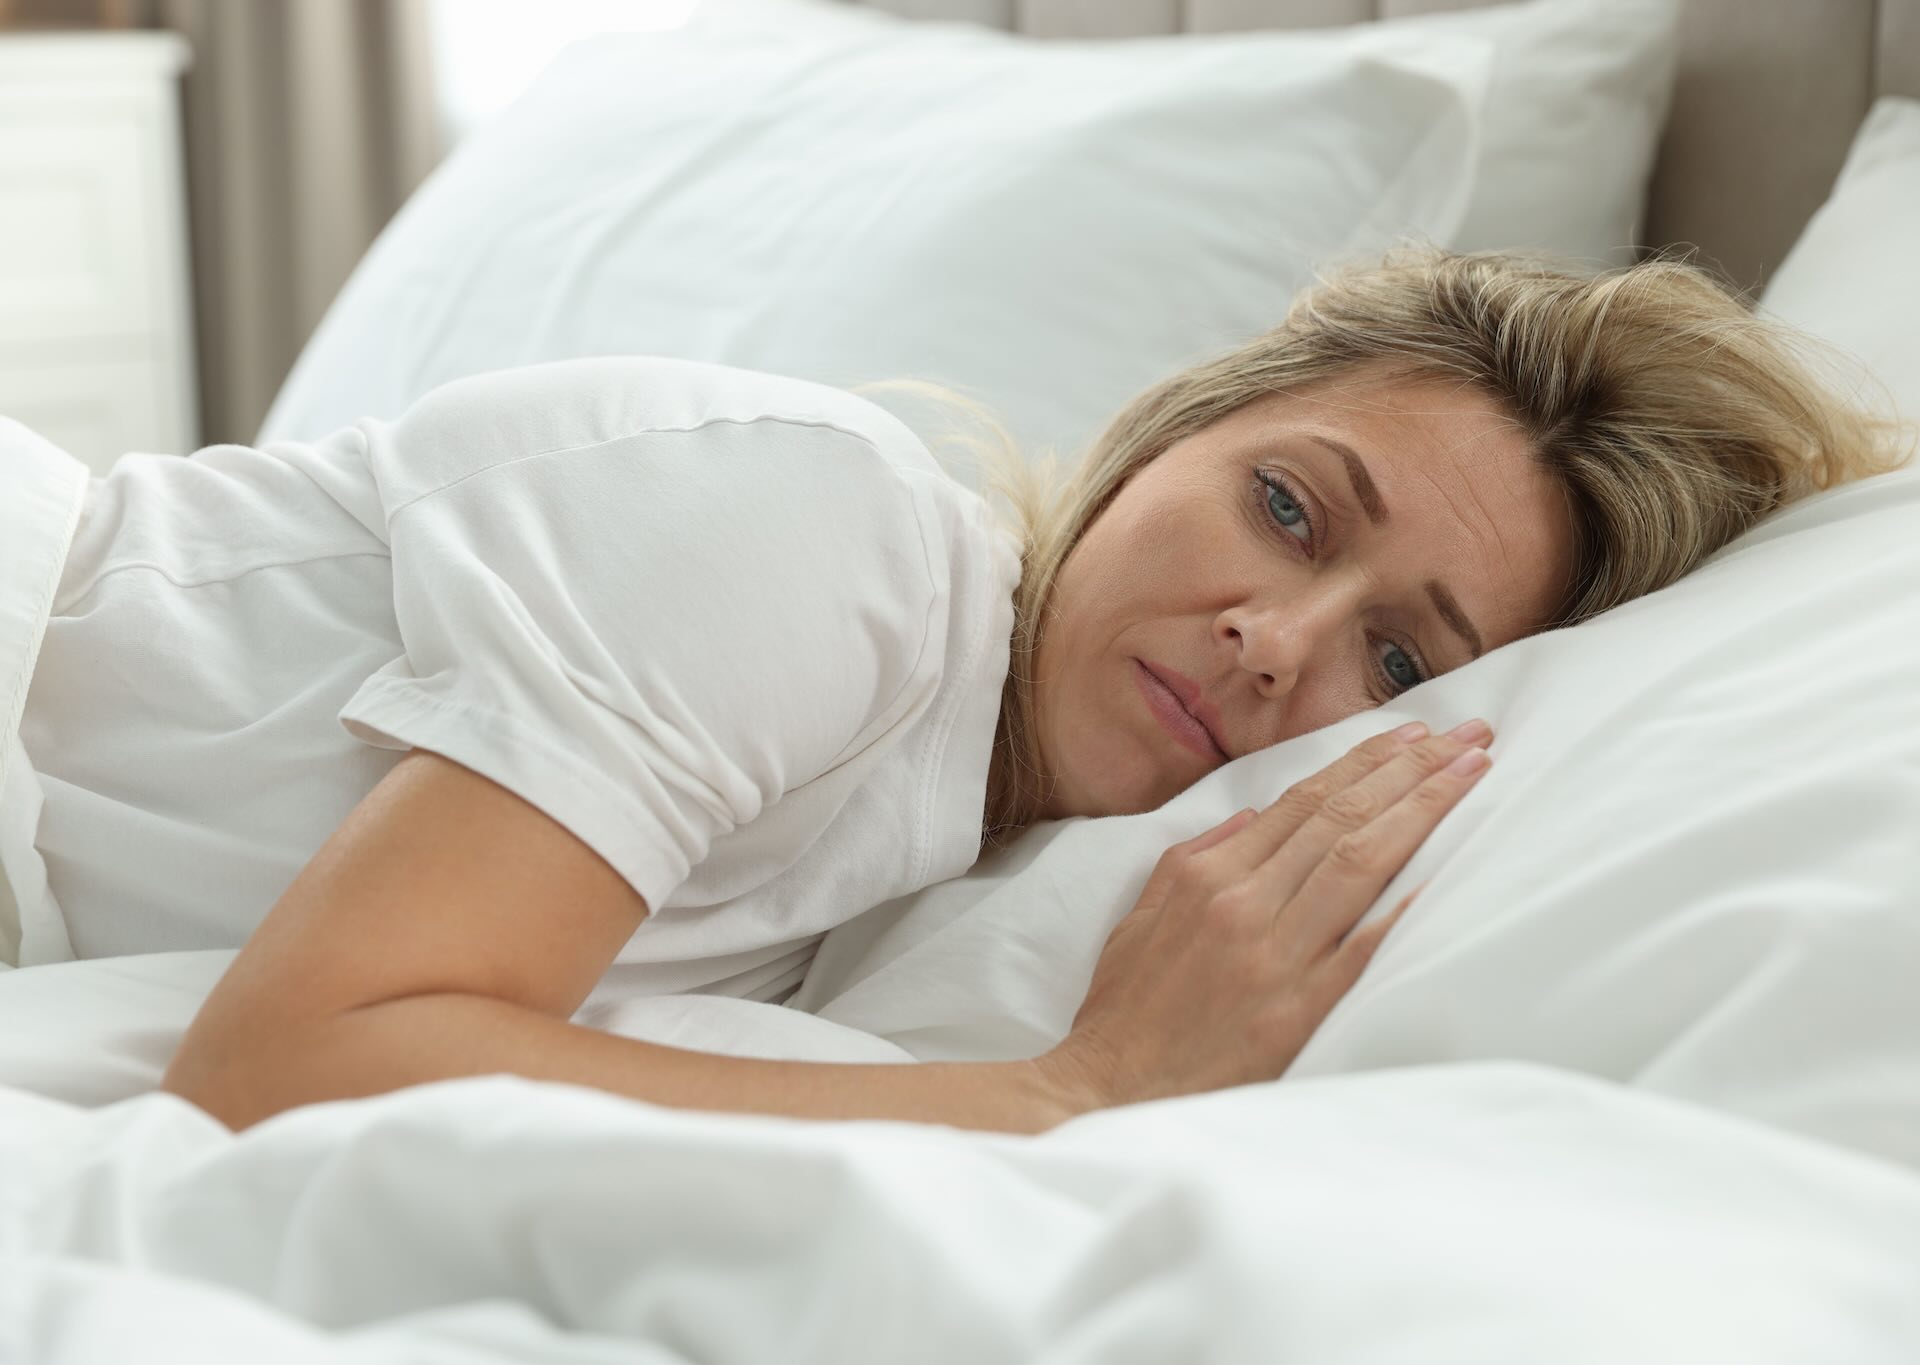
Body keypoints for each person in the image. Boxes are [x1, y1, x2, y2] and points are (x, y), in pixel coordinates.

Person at [6, 246, 1901, 1135]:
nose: (1277, 640)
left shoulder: (932, 861)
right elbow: (286, 1061)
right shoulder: (835, 538)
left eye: (1399, 658)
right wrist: (1068, 1093)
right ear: (1167, 432)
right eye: (1286, 506)